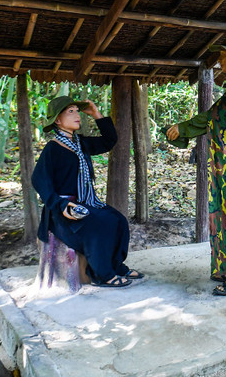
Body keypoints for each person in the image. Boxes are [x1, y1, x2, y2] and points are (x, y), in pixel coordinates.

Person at [166, 33, 226, 296]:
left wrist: (184, 128)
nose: (219, 61)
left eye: (223, 55)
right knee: (224, 213)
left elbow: (220, 114)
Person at [32, 95, 143, 287]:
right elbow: (39, 180)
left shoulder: (80, 144)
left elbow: (110, 140)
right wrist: (62, 205)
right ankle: (103, 275)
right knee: (98, 226)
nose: (77, 115)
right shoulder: (52, 148)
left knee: (118, 221)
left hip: (86, 202)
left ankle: (116, 266)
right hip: (63, 210)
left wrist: (96, 114)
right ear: (58, 120)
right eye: (71, 112)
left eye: (77, 111)